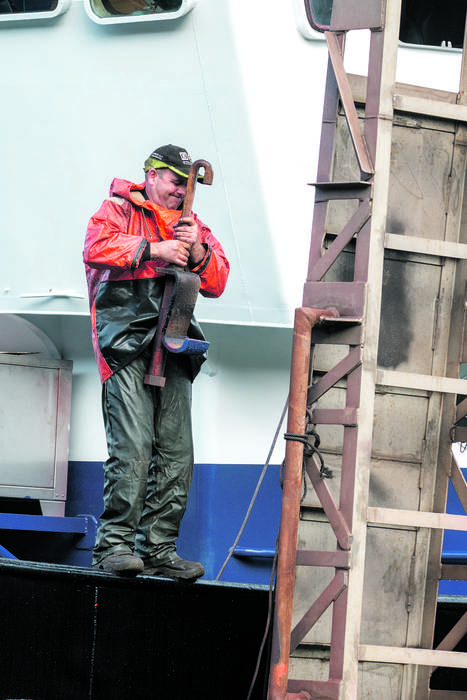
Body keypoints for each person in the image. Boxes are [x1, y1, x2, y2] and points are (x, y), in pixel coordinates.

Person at [83, 144, 230, 581]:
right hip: (124, 345)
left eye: (186, 184)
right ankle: (114, 545)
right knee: (132, 449)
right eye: (174, 181)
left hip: (174, 345)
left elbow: (218, 279)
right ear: (151, 176)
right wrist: (157, 250)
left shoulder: (193, 227)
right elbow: (97, 247)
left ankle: (159, 548)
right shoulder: (117, 210)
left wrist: (197, 250)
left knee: (177, 454)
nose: (180, 191)